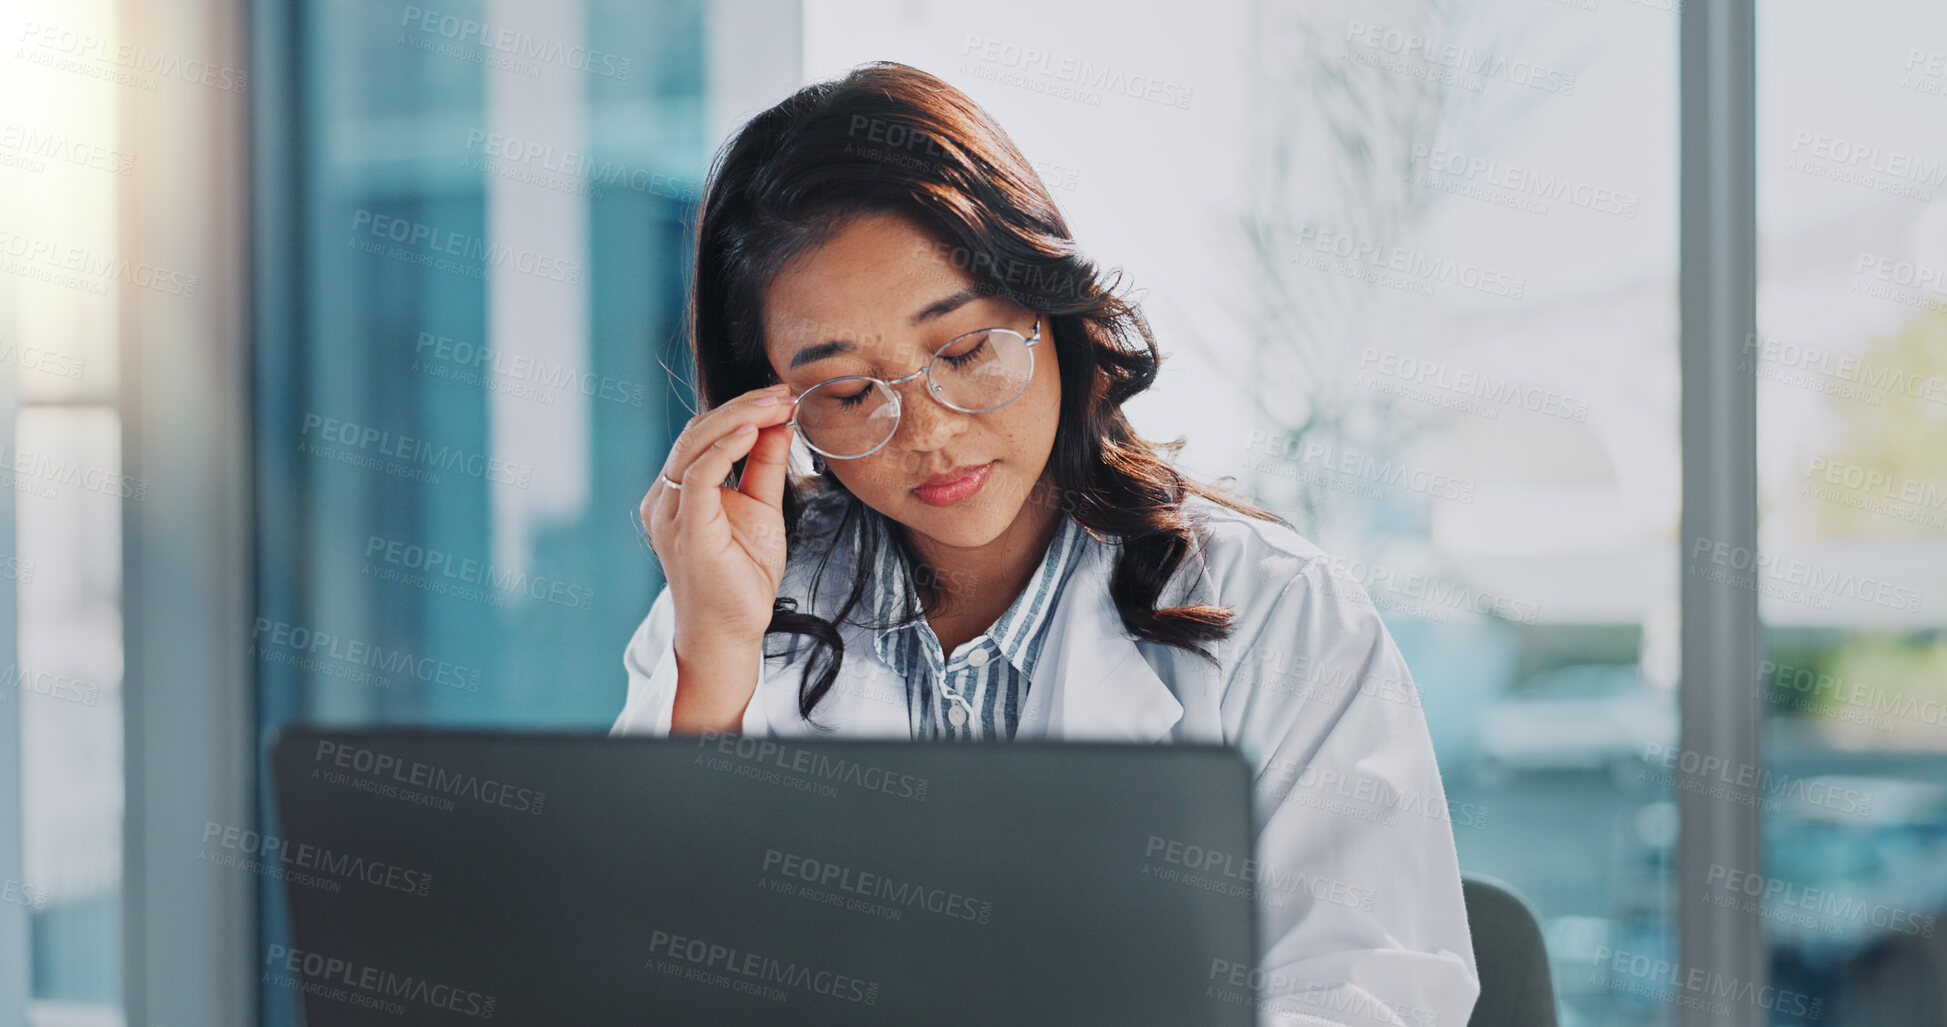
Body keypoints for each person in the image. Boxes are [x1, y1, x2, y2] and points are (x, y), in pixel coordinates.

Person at [613, 60, 1479, 1027]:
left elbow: (1366, 996)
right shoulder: (728, 614)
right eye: (848, 393)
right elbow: (636, 974)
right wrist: (716, 662)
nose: (929, 429)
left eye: (966, 349)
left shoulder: (1281, 613)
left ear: (1051, 312)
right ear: (769, 411)